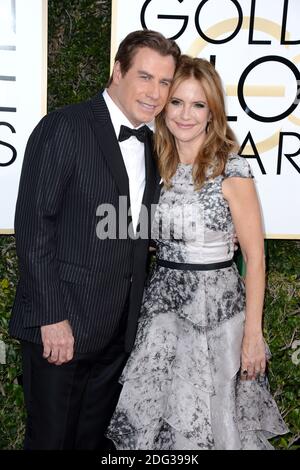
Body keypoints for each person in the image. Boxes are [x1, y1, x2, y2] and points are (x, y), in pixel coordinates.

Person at [9, 30, 180, 450]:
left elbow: (132, 228)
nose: (154, 93)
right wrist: (52, 318)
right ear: (117, 71)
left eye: (164, 82)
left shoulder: (156, 143)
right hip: (61, 325)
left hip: (118, 332)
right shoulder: (65, 127)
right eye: (145, 77)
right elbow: (34, 228)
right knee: (50, 443)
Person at [106, 55, 288, 450]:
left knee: (214, 422)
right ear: (165, 106)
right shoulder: (156, 163)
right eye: (177, 102)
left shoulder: (231, 170)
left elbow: (255, 259)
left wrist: (253, 335)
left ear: (212, 113)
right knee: (161, 428)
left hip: (217, 317)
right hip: (161, 313)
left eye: (198, 104)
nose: (185, 115)